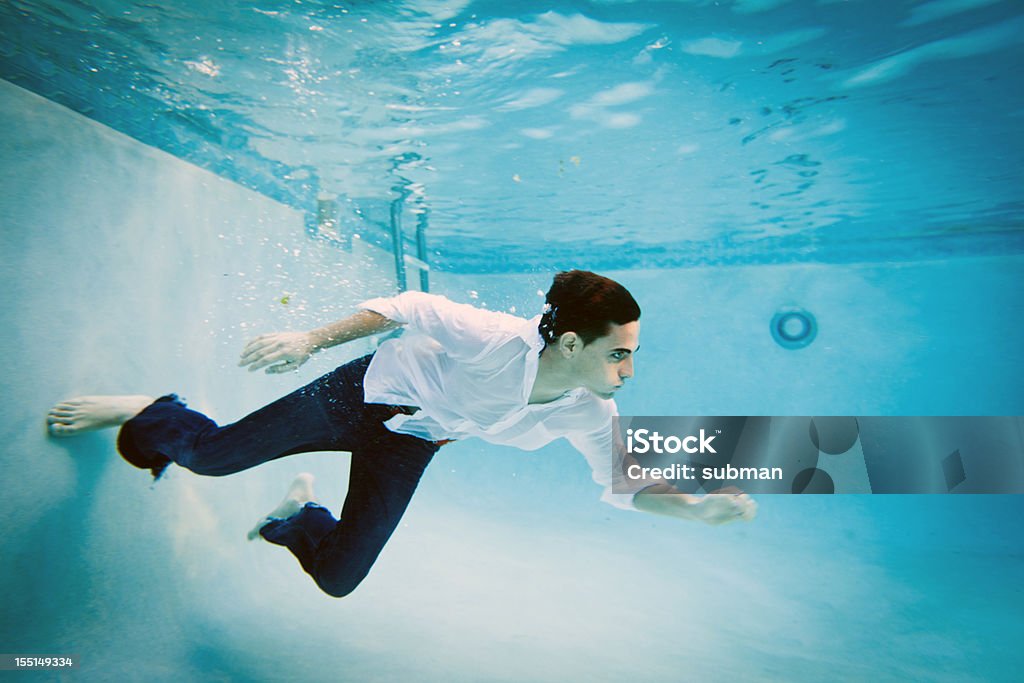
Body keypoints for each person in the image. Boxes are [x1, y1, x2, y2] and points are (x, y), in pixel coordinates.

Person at [46, 270, 756, 598]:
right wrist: (310, 339)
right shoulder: (495, 339)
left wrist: (694, 508)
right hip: (356, 396)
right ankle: (154, 407)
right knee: (208, 457)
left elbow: (623, 484)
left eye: (633, 352)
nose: (629, 370)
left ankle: (296, 518)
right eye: (619, 352)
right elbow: (406, 305)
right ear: (570, 343)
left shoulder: (588, 409)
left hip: (412, 440)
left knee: (340, 578)